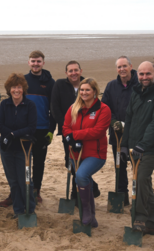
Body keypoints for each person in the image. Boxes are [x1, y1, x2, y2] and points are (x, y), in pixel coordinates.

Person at [120, 61, 154, 235]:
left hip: (151, 148)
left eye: (148, 74)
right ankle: (153, 224)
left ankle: (140, 217)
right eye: (141, 74)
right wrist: (124, 145)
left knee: (141, 178)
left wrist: (143, 145)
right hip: (134, 147)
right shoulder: (136, 92)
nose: (144, 77)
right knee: (145, 184)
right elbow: (129, 118)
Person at [0, 50, 56, 206]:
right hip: (23, 129)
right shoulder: (23, 81)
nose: (36, 64)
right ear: (28, 62)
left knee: (38, 162)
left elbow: (54, 109)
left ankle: (36, 191)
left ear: (43, 63)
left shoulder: (50, 83)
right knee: (21, 162)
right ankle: (14, 194)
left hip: (41, 128)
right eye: (33, 61)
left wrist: (51, 130)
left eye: (38, 61)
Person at [63, 78, 111, 227]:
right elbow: (65, 127)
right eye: (82, 90)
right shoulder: (73, 108)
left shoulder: (103, 109)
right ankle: (92, 218)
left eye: (87, 90)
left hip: (95, 154)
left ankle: (86, 212)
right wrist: (71, 138)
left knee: (82, 176)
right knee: (84, 180)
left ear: (95, 91)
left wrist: (75, 135)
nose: (84, 92)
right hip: (76, 153)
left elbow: (98, 131)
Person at [51, 61, 101, 203]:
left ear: (80, 70)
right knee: (72, 162)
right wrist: (66, 130)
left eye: (76, 70)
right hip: (68, 133)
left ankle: (80, 193)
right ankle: (79, 192)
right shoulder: (59, 85)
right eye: (70, 70)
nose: (73, 73)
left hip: (85, 132)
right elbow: (55, 107)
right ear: (66, 73)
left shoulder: (86, 85)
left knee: (83, 162)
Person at [0, 73, 37, 218]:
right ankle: (18, 210)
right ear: (9, 89)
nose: (16, 90)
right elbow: (0, 125)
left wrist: (14, 134)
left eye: (19, 87)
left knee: (25, 180)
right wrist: (12, 135)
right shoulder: (4, 104)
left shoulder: (30, 105)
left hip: (24, 149)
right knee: (13, 181)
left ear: (23, 88)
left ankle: (30, 209)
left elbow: (32, 128)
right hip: (7, 148)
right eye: (13, 87)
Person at [101, 56, 139, 206]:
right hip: (117, 134)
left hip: (136, 134)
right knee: (119, 165)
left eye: (125, 66)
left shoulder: (139, 85)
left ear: (131, 66)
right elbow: (105, 108)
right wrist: (114, 122)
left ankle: (138, 197)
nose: (122, 69)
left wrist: (129, 124)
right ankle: (122, 196)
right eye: (119, 67)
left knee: (137, 166)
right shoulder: (111, 86)